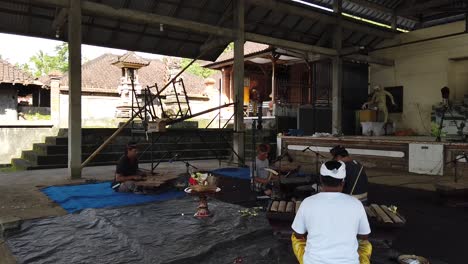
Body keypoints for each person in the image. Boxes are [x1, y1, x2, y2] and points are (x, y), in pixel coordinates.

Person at [291, 160, 372, 264]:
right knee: (365, 245)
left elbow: (298, 234)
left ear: (321, 180)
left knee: (295, 237)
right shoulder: (356, 204)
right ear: (343, 182)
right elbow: (364, 236)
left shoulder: (307, 203)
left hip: (313, 262)